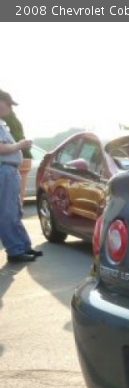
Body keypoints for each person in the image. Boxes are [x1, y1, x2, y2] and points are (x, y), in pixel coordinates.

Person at [0, 89, 41, 263]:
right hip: (4, 170)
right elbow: (1, 148)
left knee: (15, 211)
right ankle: (15, 251)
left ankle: (23, 246)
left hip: (10, 171)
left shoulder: (2, 124)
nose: (10, 108)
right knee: (8, 212)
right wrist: (20, 145)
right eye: (8, 104)